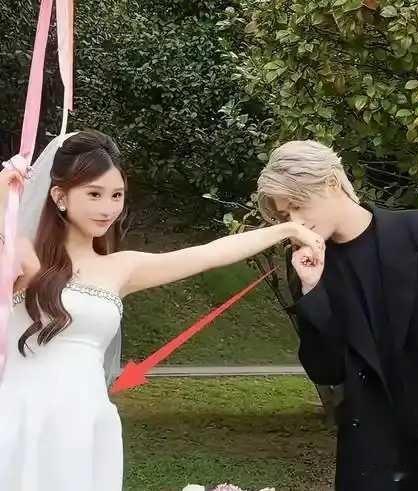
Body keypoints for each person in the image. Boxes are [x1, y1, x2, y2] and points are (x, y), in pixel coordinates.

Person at [0, 130, 325, 491]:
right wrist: (3, 200)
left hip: (86, 420)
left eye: (116, 195)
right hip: (24, 414)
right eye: (94, 194)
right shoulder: (23, 257)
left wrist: (285, 229)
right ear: (59, 196)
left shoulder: (122, 268)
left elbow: (209, 254)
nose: (107, 208)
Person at [257, 139, 418, 491]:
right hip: (373, 457)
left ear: (331, 182)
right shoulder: (308, 268)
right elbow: (326, 371)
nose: (295, 223)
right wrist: (311, 289)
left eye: (298, 206)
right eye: (285, 216)